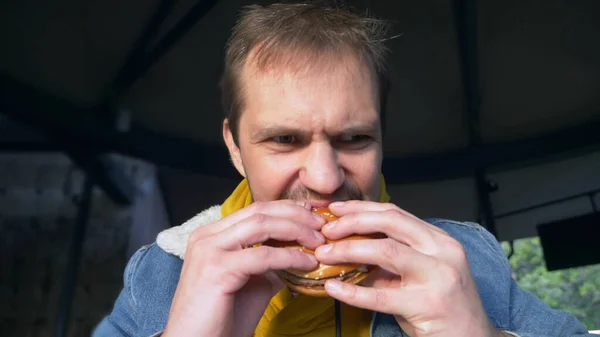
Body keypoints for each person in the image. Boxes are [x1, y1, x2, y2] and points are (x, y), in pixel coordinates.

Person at [92, 1, 594, 336]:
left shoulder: (468, 262)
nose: (327, 179)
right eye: (284, 140)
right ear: (236, 148)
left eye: (354, 138)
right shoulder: (160, 274)